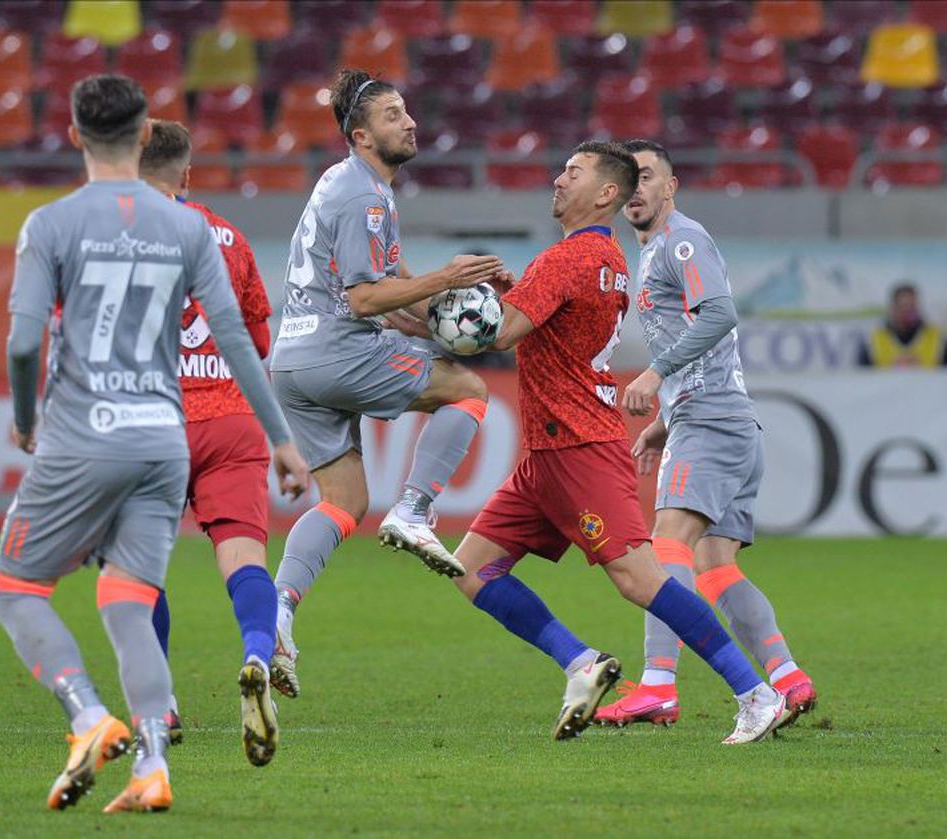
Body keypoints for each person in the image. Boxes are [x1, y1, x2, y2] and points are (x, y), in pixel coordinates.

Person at [0, 75, 308, 814]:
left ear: (73, 136)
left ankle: (86, 714)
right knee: (129, 601)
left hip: (82, 433)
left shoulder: (50, 224)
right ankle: (153, 764)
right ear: (142, 139)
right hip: (162, 437)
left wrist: (26, 417)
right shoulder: (191, 228)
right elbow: (235, 337)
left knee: (17, 588)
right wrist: (283, 441)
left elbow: (18, 340)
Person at [447, 140, 790, 744]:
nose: (557, 179)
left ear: (606, 192)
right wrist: (513, 290)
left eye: (572, 172)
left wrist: (434, 297)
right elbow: (547, 324)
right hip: (548, 452)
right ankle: (582, 663)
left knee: (641, 577)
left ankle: (756, 692)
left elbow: (495, 334)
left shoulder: (570, 260)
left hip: (578, 445)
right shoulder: (604, 258)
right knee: (470, 567)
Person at [266, 69, 506, 699]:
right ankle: (415, 509)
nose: (411, 123)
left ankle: (280, 611)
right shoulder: (365, 197)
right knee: (469, 393)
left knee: (343, 500)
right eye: (395, 115)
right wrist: (445, 279)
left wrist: (457, 316)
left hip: (293, 362)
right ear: (361, 134)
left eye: (408, 111)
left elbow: (389, 301)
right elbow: (367, 297)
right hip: (334, 350)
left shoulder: (347, 185)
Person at [593, 139, 815, 728]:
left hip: (712, 420)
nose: (636, 189)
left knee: (664, 548)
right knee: (716, 568)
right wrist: (666, 422)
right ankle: (789, 679)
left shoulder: (682, 239)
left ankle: (658, 685)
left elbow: (719, 314)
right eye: (628, 179)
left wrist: (657, 374)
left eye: (647, 177)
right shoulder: (656, 250)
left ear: (671, 187)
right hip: (724, 419)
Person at [137, 118, 282, 767]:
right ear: (188, 173)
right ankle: (256, 651)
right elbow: (256, 341)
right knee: (243, 557)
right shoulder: (228, 235)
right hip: (232, 416)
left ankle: (160, 702)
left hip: (152, 419)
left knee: (136, 568)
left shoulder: (115, 232)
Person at [858, 282, 947, 367]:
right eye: (902, 306)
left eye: (912, 306)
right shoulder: (871, 340)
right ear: (892, 309)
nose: (908, 312)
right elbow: (860, 380)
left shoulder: (940, 338)